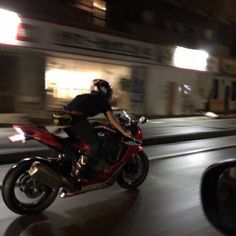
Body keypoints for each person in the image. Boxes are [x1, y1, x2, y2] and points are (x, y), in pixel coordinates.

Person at [63, 79, 132, 180]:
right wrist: (124, 132)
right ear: (105, 91)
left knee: (77, 142)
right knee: (95, 145)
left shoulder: (88, 97)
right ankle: (75, 172)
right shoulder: (102, 101)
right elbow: (112, 119)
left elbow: (77, 109)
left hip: (63, 119)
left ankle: (73, 162)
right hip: (76, 120)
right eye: (109, 92)